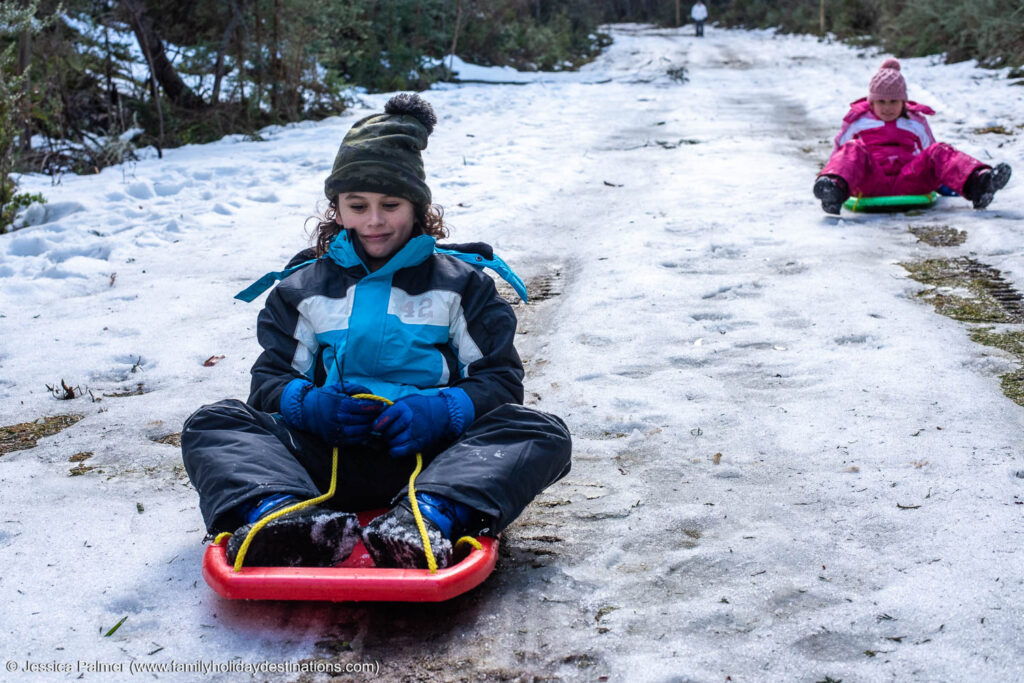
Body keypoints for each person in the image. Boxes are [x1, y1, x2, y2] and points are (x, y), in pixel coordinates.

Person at [181, 93, 572, 570]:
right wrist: (309, 406)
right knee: (213, 422)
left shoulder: (461, 285)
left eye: (390, 204)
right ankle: (281, 516)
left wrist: (444, 410)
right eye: (357, 205)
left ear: (417, 207)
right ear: (337, 209)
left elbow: (501, 383)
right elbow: (268, 385)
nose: (374, 220)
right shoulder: (302, 289)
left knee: (540, 432)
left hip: (435, 461)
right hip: (325, 457)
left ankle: (426, 520)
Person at [814, 58, 1011, 214]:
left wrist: (947, 181)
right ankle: (834, 191)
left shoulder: (915, 122)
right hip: (871, 181)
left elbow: (934, 156)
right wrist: (833, 176)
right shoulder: (858, 121)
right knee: (853, 147)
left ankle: (979, 184)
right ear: (871, 101)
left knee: (939, 149)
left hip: (908, 180)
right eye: (881, 101)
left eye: (893, 101)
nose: (887, 108)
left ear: (904, 101)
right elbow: (840, 155)